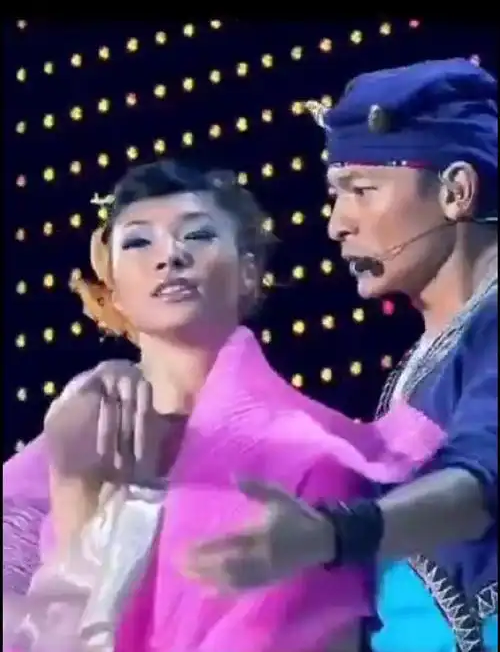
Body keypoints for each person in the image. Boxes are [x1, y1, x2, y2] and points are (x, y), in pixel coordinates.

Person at [2, 160, 445, 652]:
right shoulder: (68, 443)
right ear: (114, 289)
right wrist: (76, 494)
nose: (170, 257)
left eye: (197, 235)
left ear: (248, 272)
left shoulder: (312, 457)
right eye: (138, 242)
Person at [184, 58, 498, 652]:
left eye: (360, 191)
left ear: (456, 191)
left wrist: (331, 535)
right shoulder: (419, 364)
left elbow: (483, 484)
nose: (336, 225)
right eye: (336, 195)